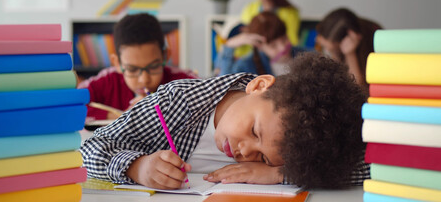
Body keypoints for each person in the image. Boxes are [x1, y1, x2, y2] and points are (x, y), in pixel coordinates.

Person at [80, 52, 369, 190]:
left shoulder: (290, 155)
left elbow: (374, 168)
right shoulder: (177, 102)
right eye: (254, 131)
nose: (246, 151)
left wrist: (279, 174)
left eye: (265, 158)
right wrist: (137, 166)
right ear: (258, 86)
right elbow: (90, 149)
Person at [77, 13, 197, 120]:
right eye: (132, 69)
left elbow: (207, 103)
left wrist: (166, 110)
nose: (144, 79)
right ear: (117, 63)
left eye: (153, 67)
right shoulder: (107, 81)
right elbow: (72, 104)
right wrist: (121, 115)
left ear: (165, 56)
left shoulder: (182, 80)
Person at [232, 0, 300, 60]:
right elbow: (243, 40)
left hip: (277, 58)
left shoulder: (290, 13)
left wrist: (273, 47)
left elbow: (291, 42)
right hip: (251, 59)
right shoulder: (249, 9)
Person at [217, 12, 305, 76]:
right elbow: (224, 87)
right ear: (259, 47)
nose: (282, 48)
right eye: (273, 46)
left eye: (284, 39)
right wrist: (229, 46)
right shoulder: (246, 66)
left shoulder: (306, 56)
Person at [316, 8, 382, 88]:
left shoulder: (373, 42)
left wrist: (350, 54)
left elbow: (357, 90)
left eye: (330, 50)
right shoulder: (325, 38)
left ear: (345, 43)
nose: (327, 52)